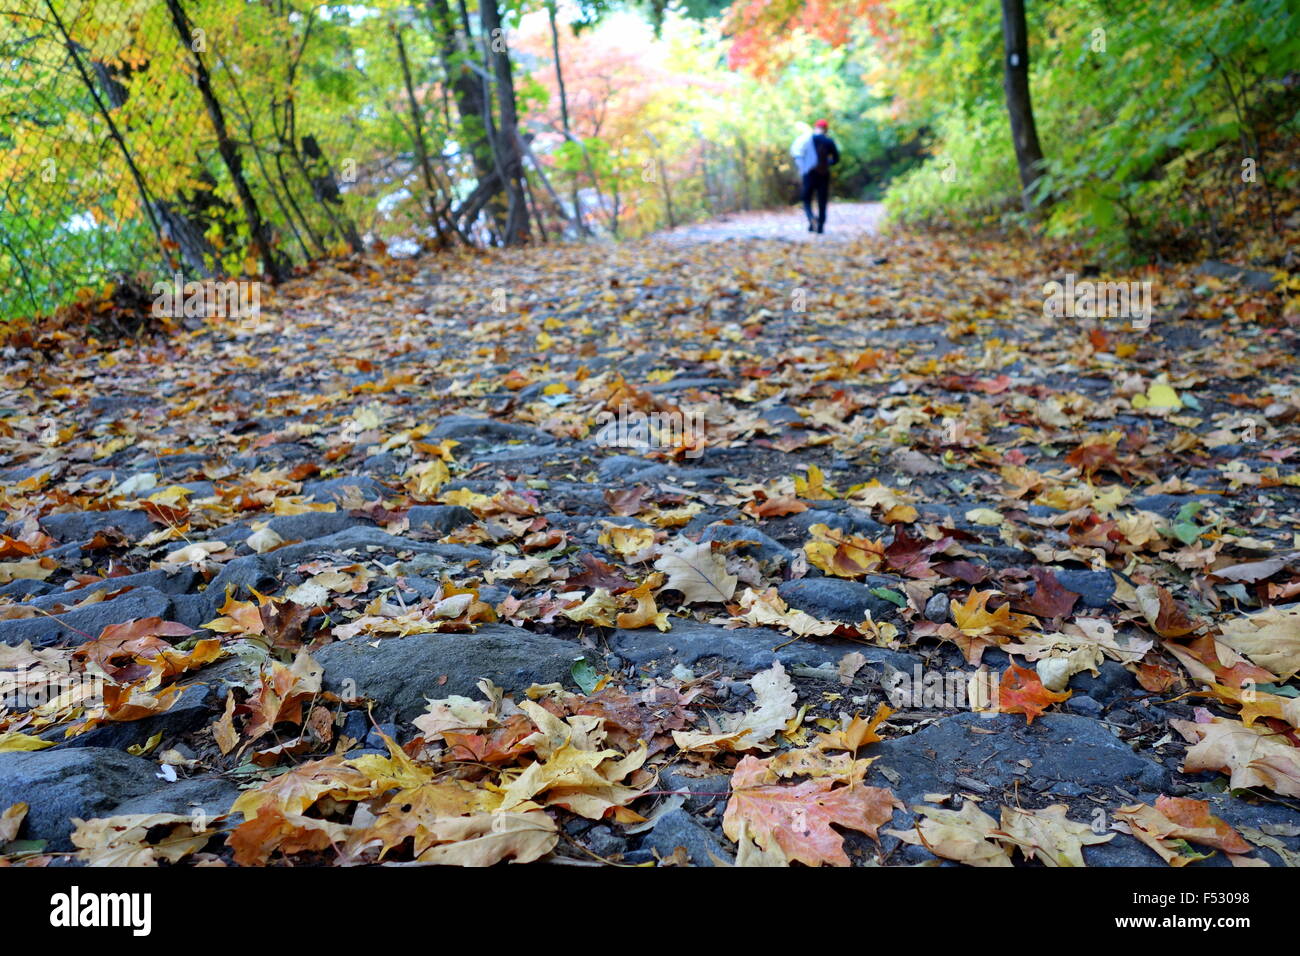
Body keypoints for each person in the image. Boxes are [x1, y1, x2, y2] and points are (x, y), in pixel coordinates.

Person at [790, 119, 840, 233]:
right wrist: (828, 163)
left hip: (809, 174)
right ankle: (821, 226)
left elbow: (798, 154)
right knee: (822, 200)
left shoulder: (807, 140)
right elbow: (836, 159)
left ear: (815, 128)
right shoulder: (829, 141)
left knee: (806, 199)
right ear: (826, 130)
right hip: (823, 174)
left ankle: (811, 218)